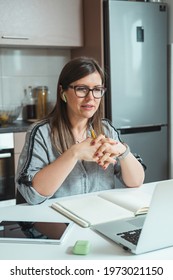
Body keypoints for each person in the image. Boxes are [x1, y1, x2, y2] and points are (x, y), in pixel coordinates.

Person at [16, 56, 145, 205]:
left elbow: (136, 182)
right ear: (62, 91)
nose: (90, 98)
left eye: (97, 90)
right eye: (82, 89)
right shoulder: (41, 133)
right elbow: (32, 194)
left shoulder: (106, 129)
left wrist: (122, 151)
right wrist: (74, 153)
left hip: (99, 216)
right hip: (58, 222)